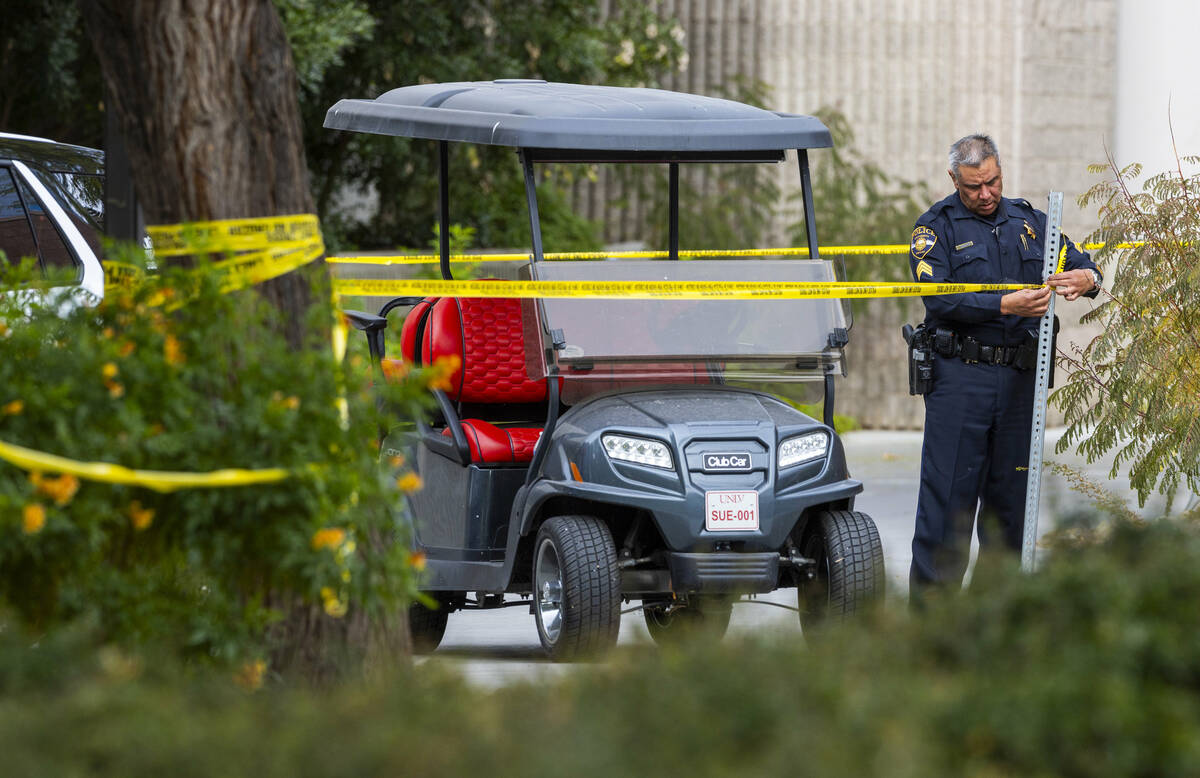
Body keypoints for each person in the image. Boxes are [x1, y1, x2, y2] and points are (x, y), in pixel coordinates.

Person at [908, 133, 1102, 590]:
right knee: (947, 509)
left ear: (999, 169)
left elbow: (1082, 262)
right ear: (954, 179)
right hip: (960, 380)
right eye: (974, 186)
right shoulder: (935, 228)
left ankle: (994, 621)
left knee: (1010, 507)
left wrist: (1086, 278)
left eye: (993, 181)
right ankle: (933, 636)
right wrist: (1003, 306)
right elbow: (937, 298)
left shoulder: (1031, 222)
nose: (986, 194)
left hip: (1020, 382)